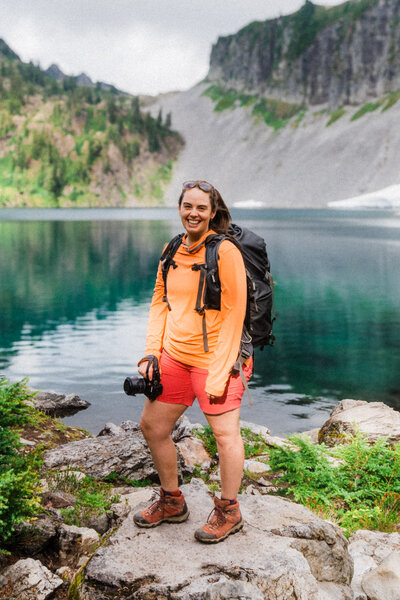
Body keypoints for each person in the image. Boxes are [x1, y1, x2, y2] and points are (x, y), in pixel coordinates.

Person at [133, 180, 252, 543]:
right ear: (180, 208)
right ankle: (172, 501)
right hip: (175, 357)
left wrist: (218, 372)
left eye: (201, 207)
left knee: (225, 435)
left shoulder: (225, 251)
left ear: (213, 212)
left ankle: (229, 511)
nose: (193, 213)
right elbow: (159, 300)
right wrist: (153, 350)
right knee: (153, 427)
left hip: (218, 358)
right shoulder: (173, 247)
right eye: (187, 206)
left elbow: (235, 313)